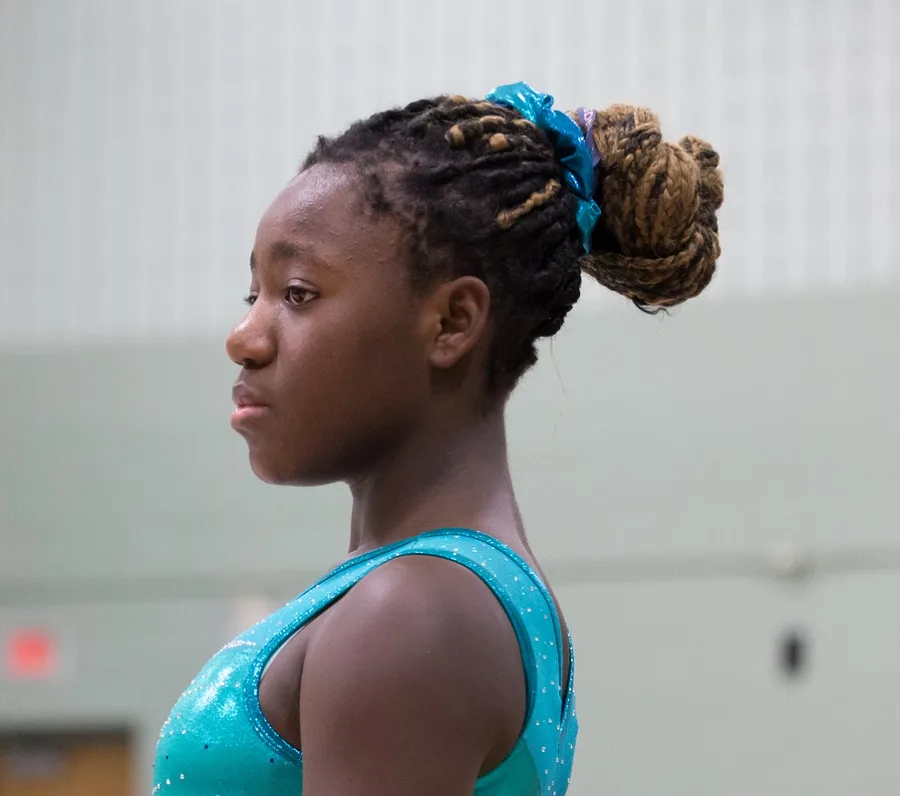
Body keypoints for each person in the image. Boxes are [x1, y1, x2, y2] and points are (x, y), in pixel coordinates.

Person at [152, 82, 723, 796]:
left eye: (297, 294)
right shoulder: (445, 593)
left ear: (452, 322)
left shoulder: (410, 613)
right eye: (253, 296)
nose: (244, 338)